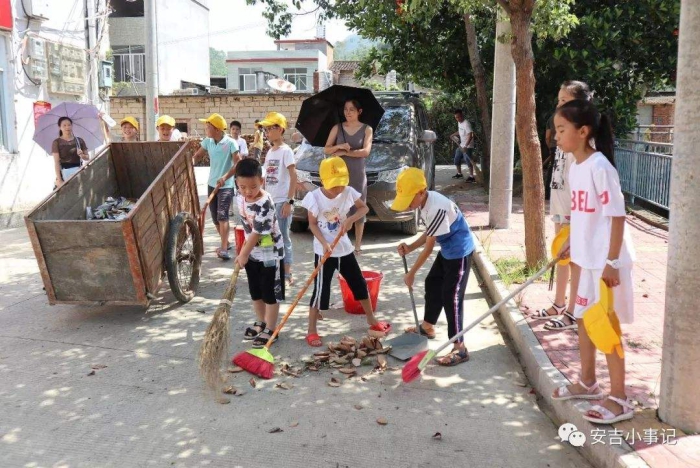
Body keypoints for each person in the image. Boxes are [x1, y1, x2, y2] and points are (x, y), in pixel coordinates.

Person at [550, 99, 636, 425]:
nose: (556, 136)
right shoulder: (576, 166)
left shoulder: (601, 167)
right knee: (584, 320)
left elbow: (617, 216)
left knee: (606, 327)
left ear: (583, 131)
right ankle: (588, 383)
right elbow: (584, 215)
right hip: (586, 261)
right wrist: (570, 241)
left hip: (605, 264)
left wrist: (612, 262)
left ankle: (620, 398)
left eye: (562, 129)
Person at [302, 157, 391, 347]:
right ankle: (311, 330)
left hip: (344, 248)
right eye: (334, 186)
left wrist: (350, 220)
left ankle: (371, 319)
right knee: (320, 290)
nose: (338, 190)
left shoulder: (349, 192)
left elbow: (364, 208)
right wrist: (324, 242)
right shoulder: (315, 197)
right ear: (323, 181)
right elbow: (312, 224)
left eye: (341, 185)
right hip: (323, 251)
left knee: (358, 282)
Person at [391, 167, 475, 366]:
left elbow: (429, 248)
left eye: (410, 199)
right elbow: (430, 233)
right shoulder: (425, 203)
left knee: (451, 298)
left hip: (459, 253)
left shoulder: (436, 206)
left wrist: (411, 273)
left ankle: (460, 347)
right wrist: (410, 247)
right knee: (432, 283)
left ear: (421, 192)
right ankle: (428, 326)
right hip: (447, 249)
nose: (408, 205)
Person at [529, 81, 592, 332]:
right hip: (560, 206)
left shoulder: (585, 136)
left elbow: (586, 184)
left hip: (575, 212)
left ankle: (574, 313)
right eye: (558, 101)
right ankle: (558, 304)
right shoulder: (564, 131)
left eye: (563, 101)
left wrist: (577, 221)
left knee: (575, 261)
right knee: (561, 257)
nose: (558, 106)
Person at [234, 158, 285, 348]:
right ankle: (262, 322)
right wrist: (244, 251)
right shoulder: (240, 198)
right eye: (243, 186)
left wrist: (243, 253)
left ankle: (272, 329)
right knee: (256, 292)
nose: (248, 191)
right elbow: (246, 228)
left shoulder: (265, 202)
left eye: (253, 186)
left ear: (262, 181)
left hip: (270, 254)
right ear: (237, 183)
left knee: (270, 293)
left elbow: (256, 232)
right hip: (252, 252)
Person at [324, 99, 373, 255]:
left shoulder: (367, 129)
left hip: (357, 172)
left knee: (359, 206)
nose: (348, 112)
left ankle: (358, 245)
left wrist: (346, 153)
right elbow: (327, 149)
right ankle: (340, 242)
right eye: (345, 109)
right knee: (338, 207)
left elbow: (365, 152)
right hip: (338, 174)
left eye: (352, 109)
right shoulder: (337, 128)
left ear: (359, 111)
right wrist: (339, 146)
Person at [191, 113, 240, 260]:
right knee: (214, 218)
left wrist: (225, 177)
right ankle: (227, 241)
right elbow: (198, 156)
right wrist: (190, 163)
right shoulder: (208, 141)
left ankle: (224, 248)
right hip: (212, 184)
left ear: (217, 129)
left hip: (226, 186)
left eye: (208, 127)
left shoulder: (231, 143)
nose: (206, 129)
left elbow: (237, 164)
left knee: (222, 215)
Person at [259, 112, 297, 285]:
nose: (266, 132)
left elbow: (293, 176)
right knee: (268, 237)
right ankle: (272, 269)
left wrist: (290, 201)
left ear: (280, 129)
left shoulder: (286, 151)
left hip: (282, 201)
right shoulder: (270, 152)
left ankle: (287, 273)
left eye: (270, 128)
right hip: (270, 201)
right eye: (265, 128)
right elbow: (266, 178)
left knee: (283, 237)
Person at [52, 117, 89, 189]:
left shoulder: (79, 140)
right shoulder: (57, 142)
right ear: (60, 127)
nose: (67, 127)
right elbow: (56, 162)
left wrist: (82, 155)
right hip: (64, 173)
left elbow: (87, 158)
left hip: (79, 172)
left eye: (69, 125)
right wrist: (59, 180)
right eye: (64, 125)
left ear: (72, 126)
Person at [450, 109, 475, 182]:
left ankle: (471, 176)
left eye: (458, 117)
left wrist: (466, 146)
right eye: (456, 118)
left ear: (462, 116)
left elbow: (471, 135)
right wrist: (453, 134)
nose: (457, 119)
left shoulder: (466, 123)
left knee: (468, 160)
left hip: (468, 146)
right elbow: (460, 131)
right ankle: (459, 173)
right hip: (461, 145)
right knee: (456, 159)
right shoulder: (459, 123)